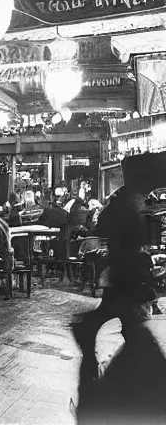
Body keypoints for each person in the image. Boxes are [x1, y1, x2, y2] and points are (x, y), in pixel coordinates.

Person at [72, 152, 166, 423]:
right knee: (137, 336)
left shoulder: (128, 202)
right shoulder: (126, 206)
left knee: (130, 329)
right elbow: (123, 248)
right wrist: (139, 275)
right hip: (126, 277)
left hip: (125, 278)